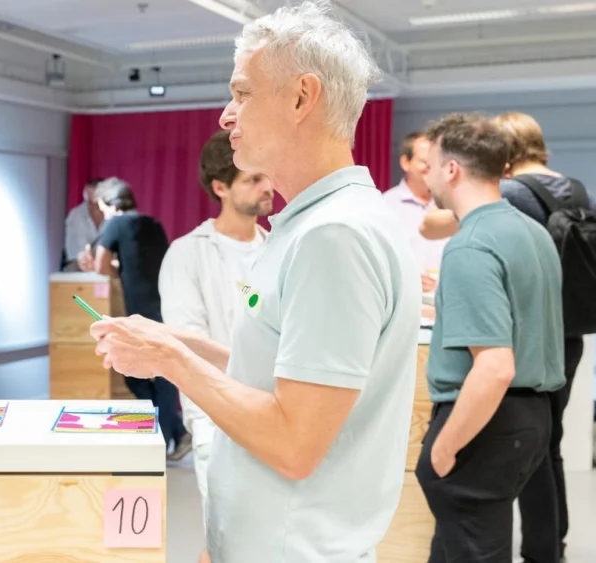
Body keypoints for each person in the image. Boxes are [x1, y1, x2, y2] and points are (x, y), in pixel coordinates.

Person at [88, 2, 421, 560]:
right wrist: (176, 341)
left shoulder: (332, 236)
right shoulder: (315, 224)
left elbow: (293, 442)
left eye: (242, 94)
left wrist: (170, 361)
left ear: (302, 98)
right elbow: (279, 377)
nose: (226, 115)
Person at [420, 110, 591, 563]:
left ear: (451, 169)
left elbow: (494, 367)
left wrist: (443, 448)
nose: (427, 178)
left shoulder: (471, 243)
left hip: (484, 420)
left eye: (430, 166)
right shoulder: (534, 233)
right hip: (533, 417)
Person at [157, 128, 272, 563]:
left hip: (278, 412)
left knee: (266, 541)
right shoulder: (187, 254)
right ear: (221, 187)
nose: (267, 187)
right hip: (216, 415)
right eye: (253, 179)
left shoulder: (281, 247)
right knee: (229, 539)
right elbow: (188, 344)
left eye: (267, 176)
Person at [79, 177, 189, 460]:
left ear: (106, 204)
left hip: (141, 309)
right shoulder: (153, 223)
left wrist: (118, 271)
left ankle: (165, 441)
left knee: (137, 376)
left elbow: (100, 264)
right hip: (167, 305)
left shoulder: (114, 223)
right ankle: (176, 433)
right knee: (162, 375)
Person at [382, 131, 448, 292]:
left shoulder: (450, 203)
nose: (431, 168)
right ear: (406, 162)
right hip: (406, 296)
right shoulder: (385, 205)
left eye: (436, 162)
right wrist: (407, 279)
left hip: (449, 296)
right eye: (424, 162)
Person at [63, 177, 104, 271]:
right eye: (89, 203)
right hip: (79, 265)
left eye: (97, 203)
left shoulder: (114, 213)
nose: (93, 208)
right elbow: (79, 254)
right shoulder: (76, 216)